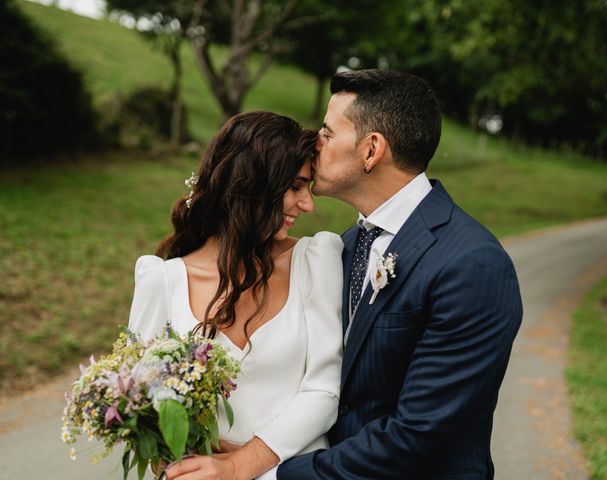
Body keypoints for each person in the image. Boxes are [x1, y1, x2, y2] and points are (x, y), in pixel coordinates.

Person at [275, 70, 524, 479]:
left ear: (371, 150)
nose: (312, 144)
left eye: (326, 131)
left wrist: (274, 474)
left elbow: (418, 436)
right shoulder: (347, 244)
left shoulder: (472, 265)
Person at [128, 111, 344, 480]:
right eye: (295, 186)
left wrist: (240, 465)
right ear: (254, 183)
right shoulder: (161, 280)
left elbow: (325, 390)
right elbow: (140, 407)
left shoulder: (315, 259)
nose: (307, 205)